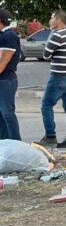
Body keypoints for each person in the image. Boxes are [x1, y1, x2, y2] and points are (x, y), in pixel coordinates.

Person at [37, 10, 66, 148]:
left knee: (46, 105)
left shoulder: (57, 35)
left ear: (59, 20)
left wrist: (51, 34)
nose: (50, 21)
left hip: (59, 76)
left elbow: (46, 55)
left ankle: (50, 136)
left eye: (51, 18)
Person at [0, 8, 22, 141]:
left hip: (6, 80)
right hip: (3, 80)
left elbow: (3, 61)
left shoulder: (9, 36)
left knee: (7, 113)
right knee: (1, 114)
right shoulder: (2, 35)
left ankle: (15, 142)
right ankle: (4, 141)